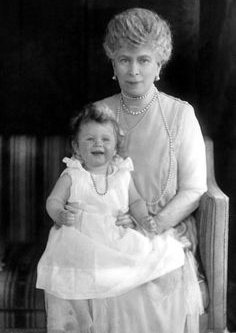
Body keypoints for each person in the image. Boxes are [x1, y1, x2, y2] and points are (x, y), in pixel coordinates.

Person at [94, 7, 207, 333]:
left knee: (151, 284)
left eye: (143, 60)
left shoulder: (180, 115)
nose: (133, 70)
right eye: (124, 59)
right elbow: (87, 180)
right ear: (113, 63)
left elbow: (194, 189)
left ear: (159, 64)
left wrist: (154, 225)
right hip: (110, 230)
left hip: (165, 231)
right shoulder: (99, 113)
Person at [36, 102, 187, 333]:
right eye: (90, 140)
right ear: (76, 147)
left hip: (113, 235)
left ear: (116, 146)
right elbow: (53, 200)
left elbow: (136, 201)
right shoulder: (73, 173)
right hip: (80, 236)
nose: (99, 144)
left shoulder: (122, 174)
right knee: (67, 266)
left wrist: (143, 217)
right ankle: (84, 319)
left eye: (106, 139)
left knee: (158, 254)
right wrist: (60, 214)